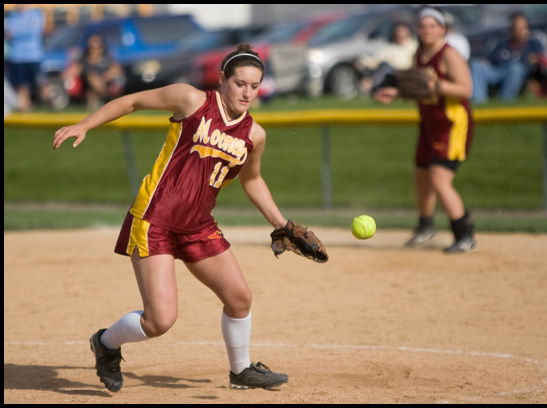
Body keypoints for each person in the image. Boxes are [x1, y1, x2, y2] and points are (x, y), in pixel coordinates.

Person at [53, 44, 323, 391]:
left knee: (240, 298)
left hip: (198, 226)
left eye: (254, 86)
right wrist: (86, 124)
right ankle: (106, 344)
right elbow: (133, 101)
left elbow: (252, 180)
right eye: (240, 83)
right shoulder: (191, 100)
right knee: (159, 320)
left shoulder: (254, 135)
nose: (247, 92)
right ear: (222, 78)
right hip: (156, 219)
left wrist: (282, 225)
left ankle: (241, 371)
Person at [374, 8, 476, 254]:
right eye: (423, 26)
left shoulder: (449, 54)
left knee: (439, 181)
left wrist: (436, 84)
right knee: (421, 176)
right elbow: (420, 88)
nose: (427, 30)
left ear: (443, 29)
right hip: (429, 125)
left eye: (433, 26)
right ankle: (426, 227)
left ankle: (465, 234)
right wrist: (396, 92)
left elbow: (466, 90)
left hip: (451, 125)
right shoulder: (420, 54)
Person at [470, 13, 547, 103]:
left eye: (523, 29)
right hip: (499, 71)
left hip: (520, 74)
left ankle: (505, 102)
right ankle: (479, 103)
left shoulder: (534, 43)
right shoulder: (503, 43)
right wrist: (485, 62)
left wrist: (536, 61)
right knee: (477, 66)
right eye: (516, 29)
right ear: (511, 29)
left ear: (528, 29)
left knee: (515, 68)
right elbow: (490, 60)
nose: (520, 31)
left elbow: (542, 62)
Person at [62, 34, 125, 110]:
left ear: (102, 47)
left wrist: (105, 77)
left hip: (105, 85)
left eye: (97, 47)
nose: (94, 50)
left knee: (94, 83)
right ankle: (103, 100)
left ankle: (101, 100)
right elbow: (71, 71)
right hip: (86, 87)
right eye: (91, 47)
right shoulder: (84, 60)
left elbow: (118, 71)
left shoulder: (106, 59)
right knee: (91, 79)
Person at [4, 4, 45, 111]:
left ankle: (52, 105)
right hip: (17, 57)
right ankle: (26, 109)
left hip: (33, 57)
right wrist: (23, 30)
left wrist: (16, 33)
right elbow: (8, 33)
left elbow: (33, 32)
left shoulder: (36, 14)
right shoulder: (11, 17)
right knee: (22, 85)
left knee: (41, 83)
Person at [358, 21, 418, 94]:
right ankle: (371, 85)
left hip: (406, 74)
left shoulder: (414, 46)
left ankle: (369, 85)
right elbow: (376, 59)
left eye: (402, 31)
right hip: (390, 75)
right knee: (383, 67)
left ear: (408, 33)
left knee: (385, 67)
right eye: (398, 32)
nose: (400, 34)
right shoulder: (390, 47)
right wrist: (362, 62)